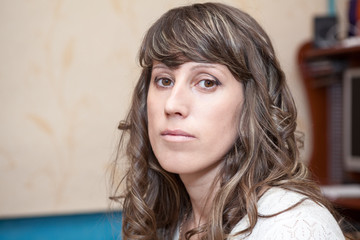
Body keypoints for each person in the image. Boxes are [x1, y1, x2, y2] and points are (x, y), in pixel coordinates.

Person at [110, 2, 346, 239]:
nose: (172, 105)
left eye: (207, 82)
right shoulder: (165, 218)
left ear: (253, 105)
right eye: (164, 80)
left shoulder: (293, 227)